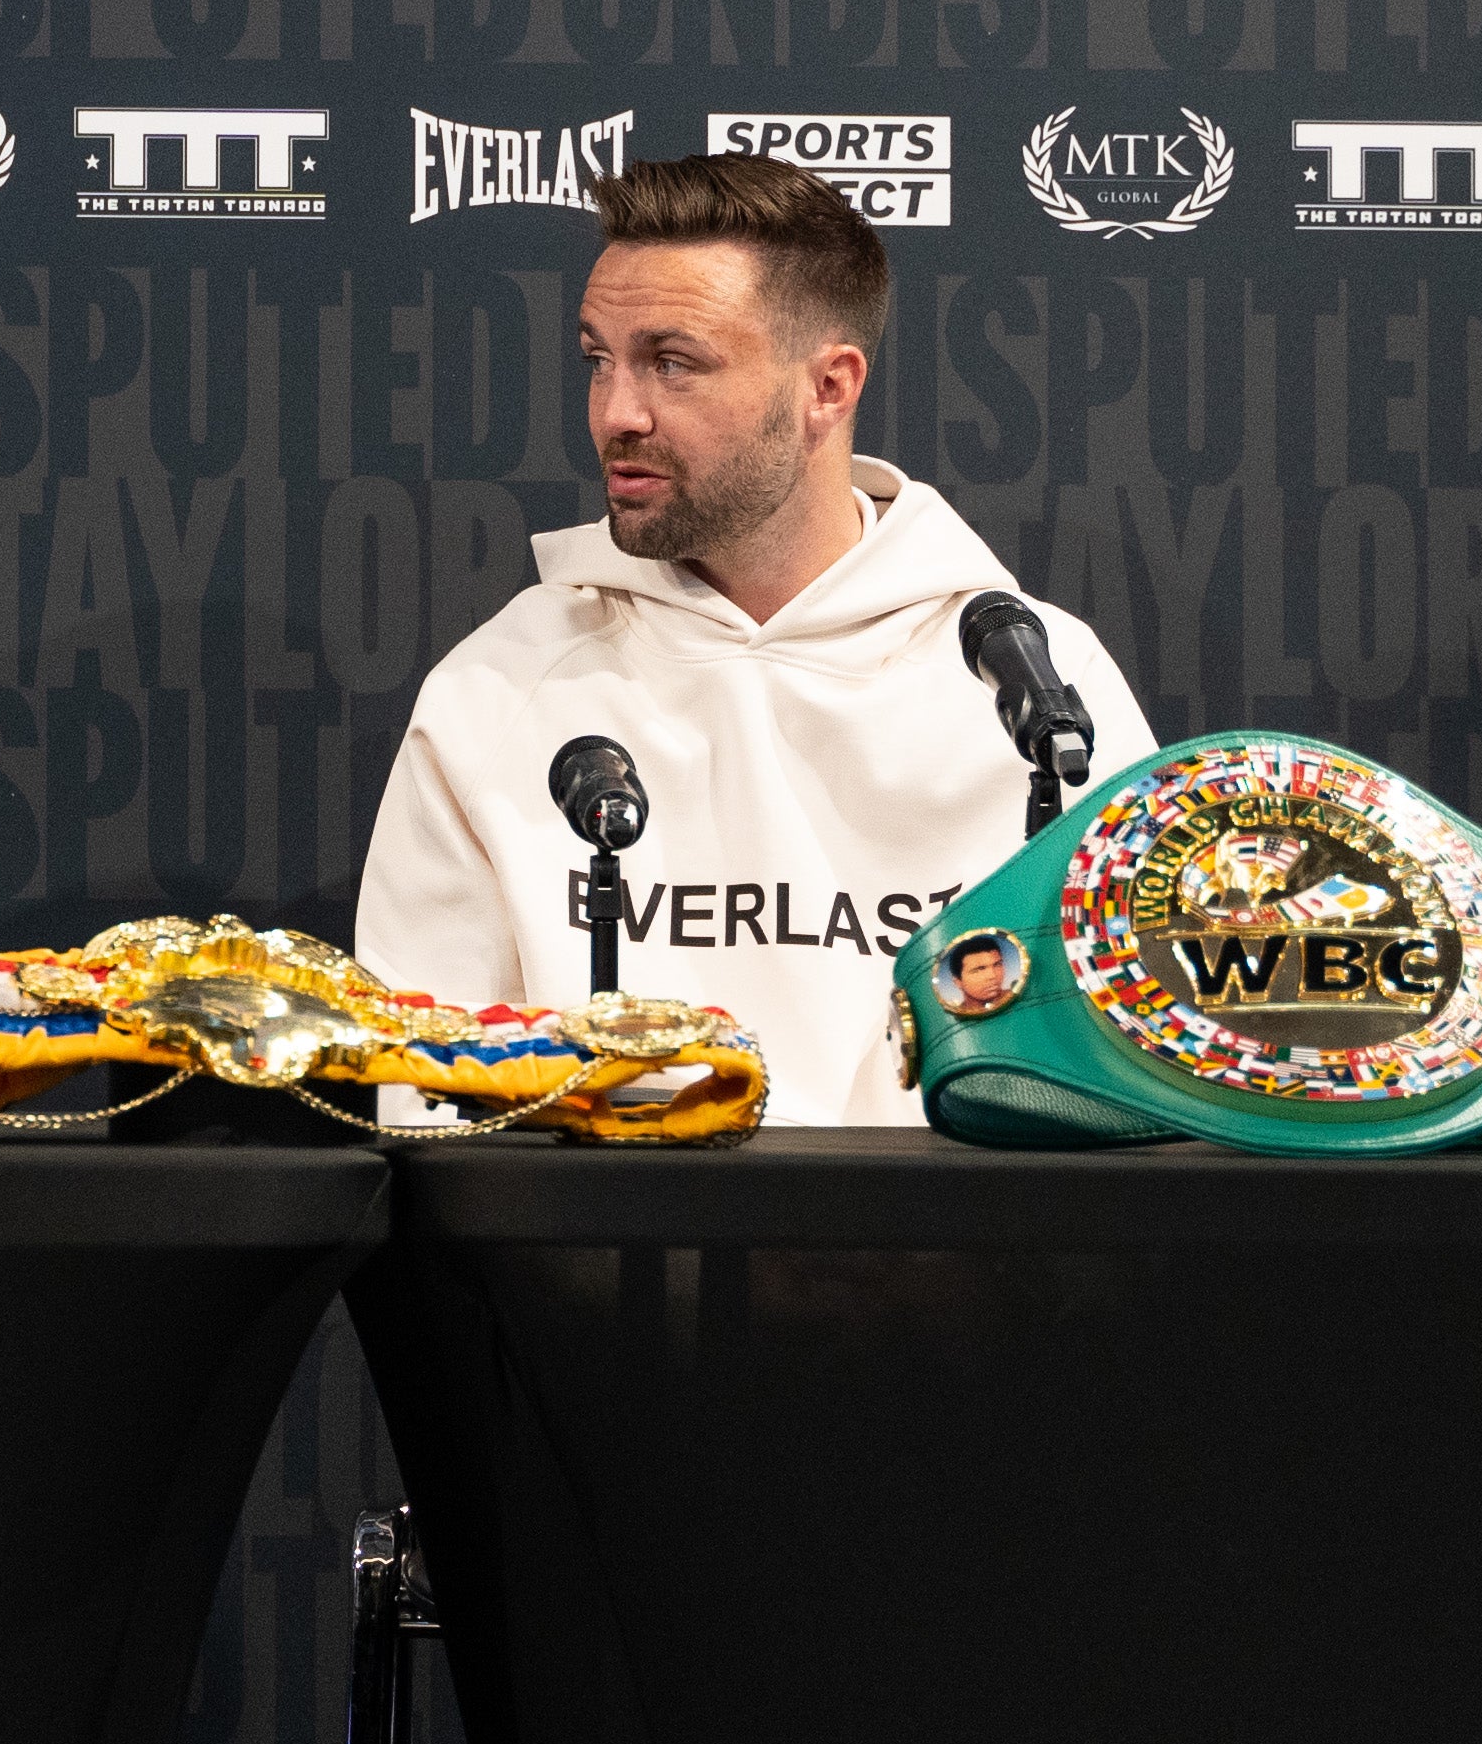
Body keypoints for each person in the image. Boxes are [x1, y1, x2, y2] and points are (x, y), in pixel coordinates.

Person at [358, 151, 1150, 1128]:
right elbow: (425, 1100)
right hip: (612, 1275)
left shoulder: (1041, 687)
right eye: (598, 358)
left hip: (966, 1272)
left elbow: (1142, 1069)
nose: (617, 412)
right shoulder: (499, 687)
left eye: (674, 362)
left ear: (829, 385)